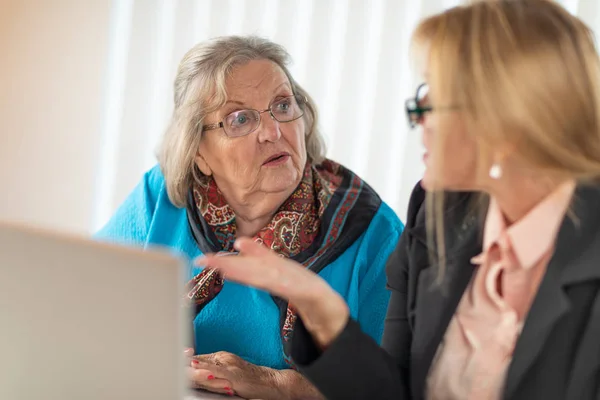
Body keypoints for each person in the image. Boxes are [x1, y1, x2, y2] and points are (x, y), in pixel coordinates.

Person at [198, 1, 600, 399]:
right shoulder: (436, 213)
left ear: (510, 118)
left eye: (435, 99)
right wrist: (322, 312)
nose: (417, 116)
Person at [96, 35, 403, 399]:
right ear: (199, 154)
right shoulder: (161, 195)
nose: (273, 132)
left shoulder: (372, 230)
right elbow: (79, 306)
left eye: (283, 105)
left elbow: (391, 388)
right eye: (239, 119)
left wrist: (279, 384)